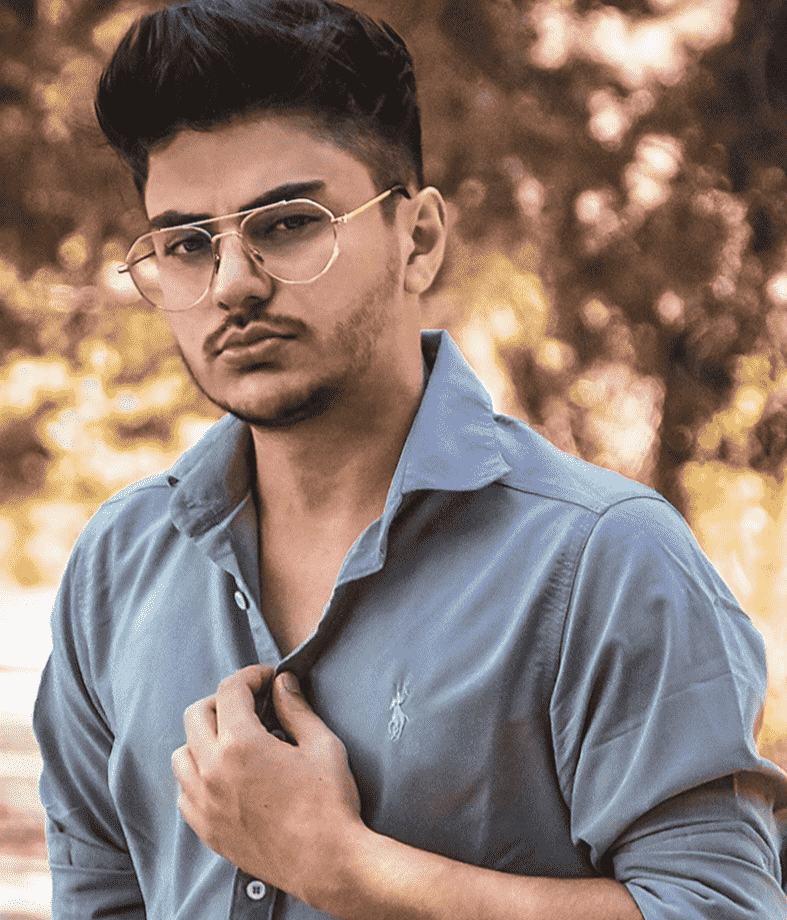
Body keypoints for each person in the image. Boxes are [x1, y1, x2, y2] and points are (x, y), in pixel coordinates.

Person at [33, 1, 787, 918]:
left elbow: (714, 907)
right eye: (188, 244)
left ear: (418, 240)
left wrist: (347, 868)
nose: (232, 283)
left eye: (287, 223)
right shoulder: (118, 564)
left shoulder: (604, 560)